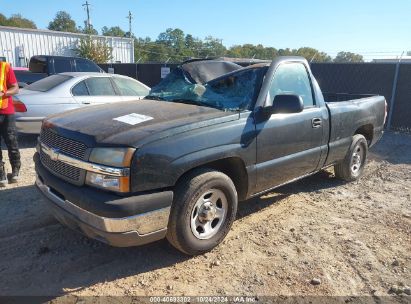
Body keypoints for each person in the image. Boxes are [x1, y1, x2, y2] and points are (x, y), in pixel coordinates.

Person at [0, 61, 20, 187]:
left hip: (6, 112)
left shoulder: (4, 66)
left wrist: (4, 93)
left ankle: (15, 169)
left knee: (11, 141)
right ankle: (1, 173)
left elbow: (15, 88)